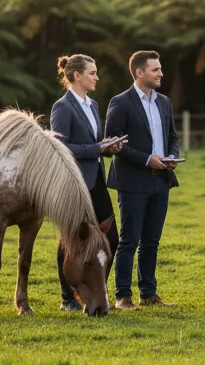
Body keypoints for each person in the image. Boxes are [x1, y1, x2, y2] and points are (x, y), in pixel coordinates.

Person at [104, 50, 180, 310]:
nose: (161, 74)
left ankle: (148, 294)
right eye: (155, 70)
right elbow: (114, 143)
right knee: (129, 240)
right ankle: (122, 296)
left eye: (160, 69)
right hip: (133, 181)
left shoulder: (164, 102)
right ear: (139, 72)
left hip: (161, 180)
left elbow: (172, 136)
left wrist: (172, 157)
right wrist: (147, 159)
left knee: (151, 241)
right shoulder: (120, 102)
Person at [50, 54, 122, 311]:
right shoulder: (62, 107)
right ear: (77, 76)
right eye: (92, 73)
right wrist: (96, 148)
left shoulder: (92, 105)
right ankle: (67, 298)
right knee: (70, 241)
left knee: (111, 237)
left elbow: (92, 143)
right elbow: (59, 146)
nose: (97, 77)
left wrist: (107, 147)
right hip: (73, 183)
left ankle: (97, 291)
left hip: (97, 180)